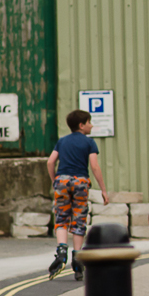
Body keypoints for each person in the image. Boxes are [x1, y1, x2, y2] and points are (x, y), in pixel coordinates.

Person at [45, 109, 111, 281]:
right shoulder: (89, 143)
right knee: (79, 218)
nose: (92, 125)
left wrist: (55, 180)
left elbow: (50, 161)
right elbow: (95, 166)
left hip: (62, 182)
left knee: (62, 217)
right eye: (89, 122)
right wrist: (103, 189)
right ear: (81, 125)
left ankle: (61, 251)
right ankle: (77, 258)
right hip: (80, 182)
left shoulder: (62, 141)